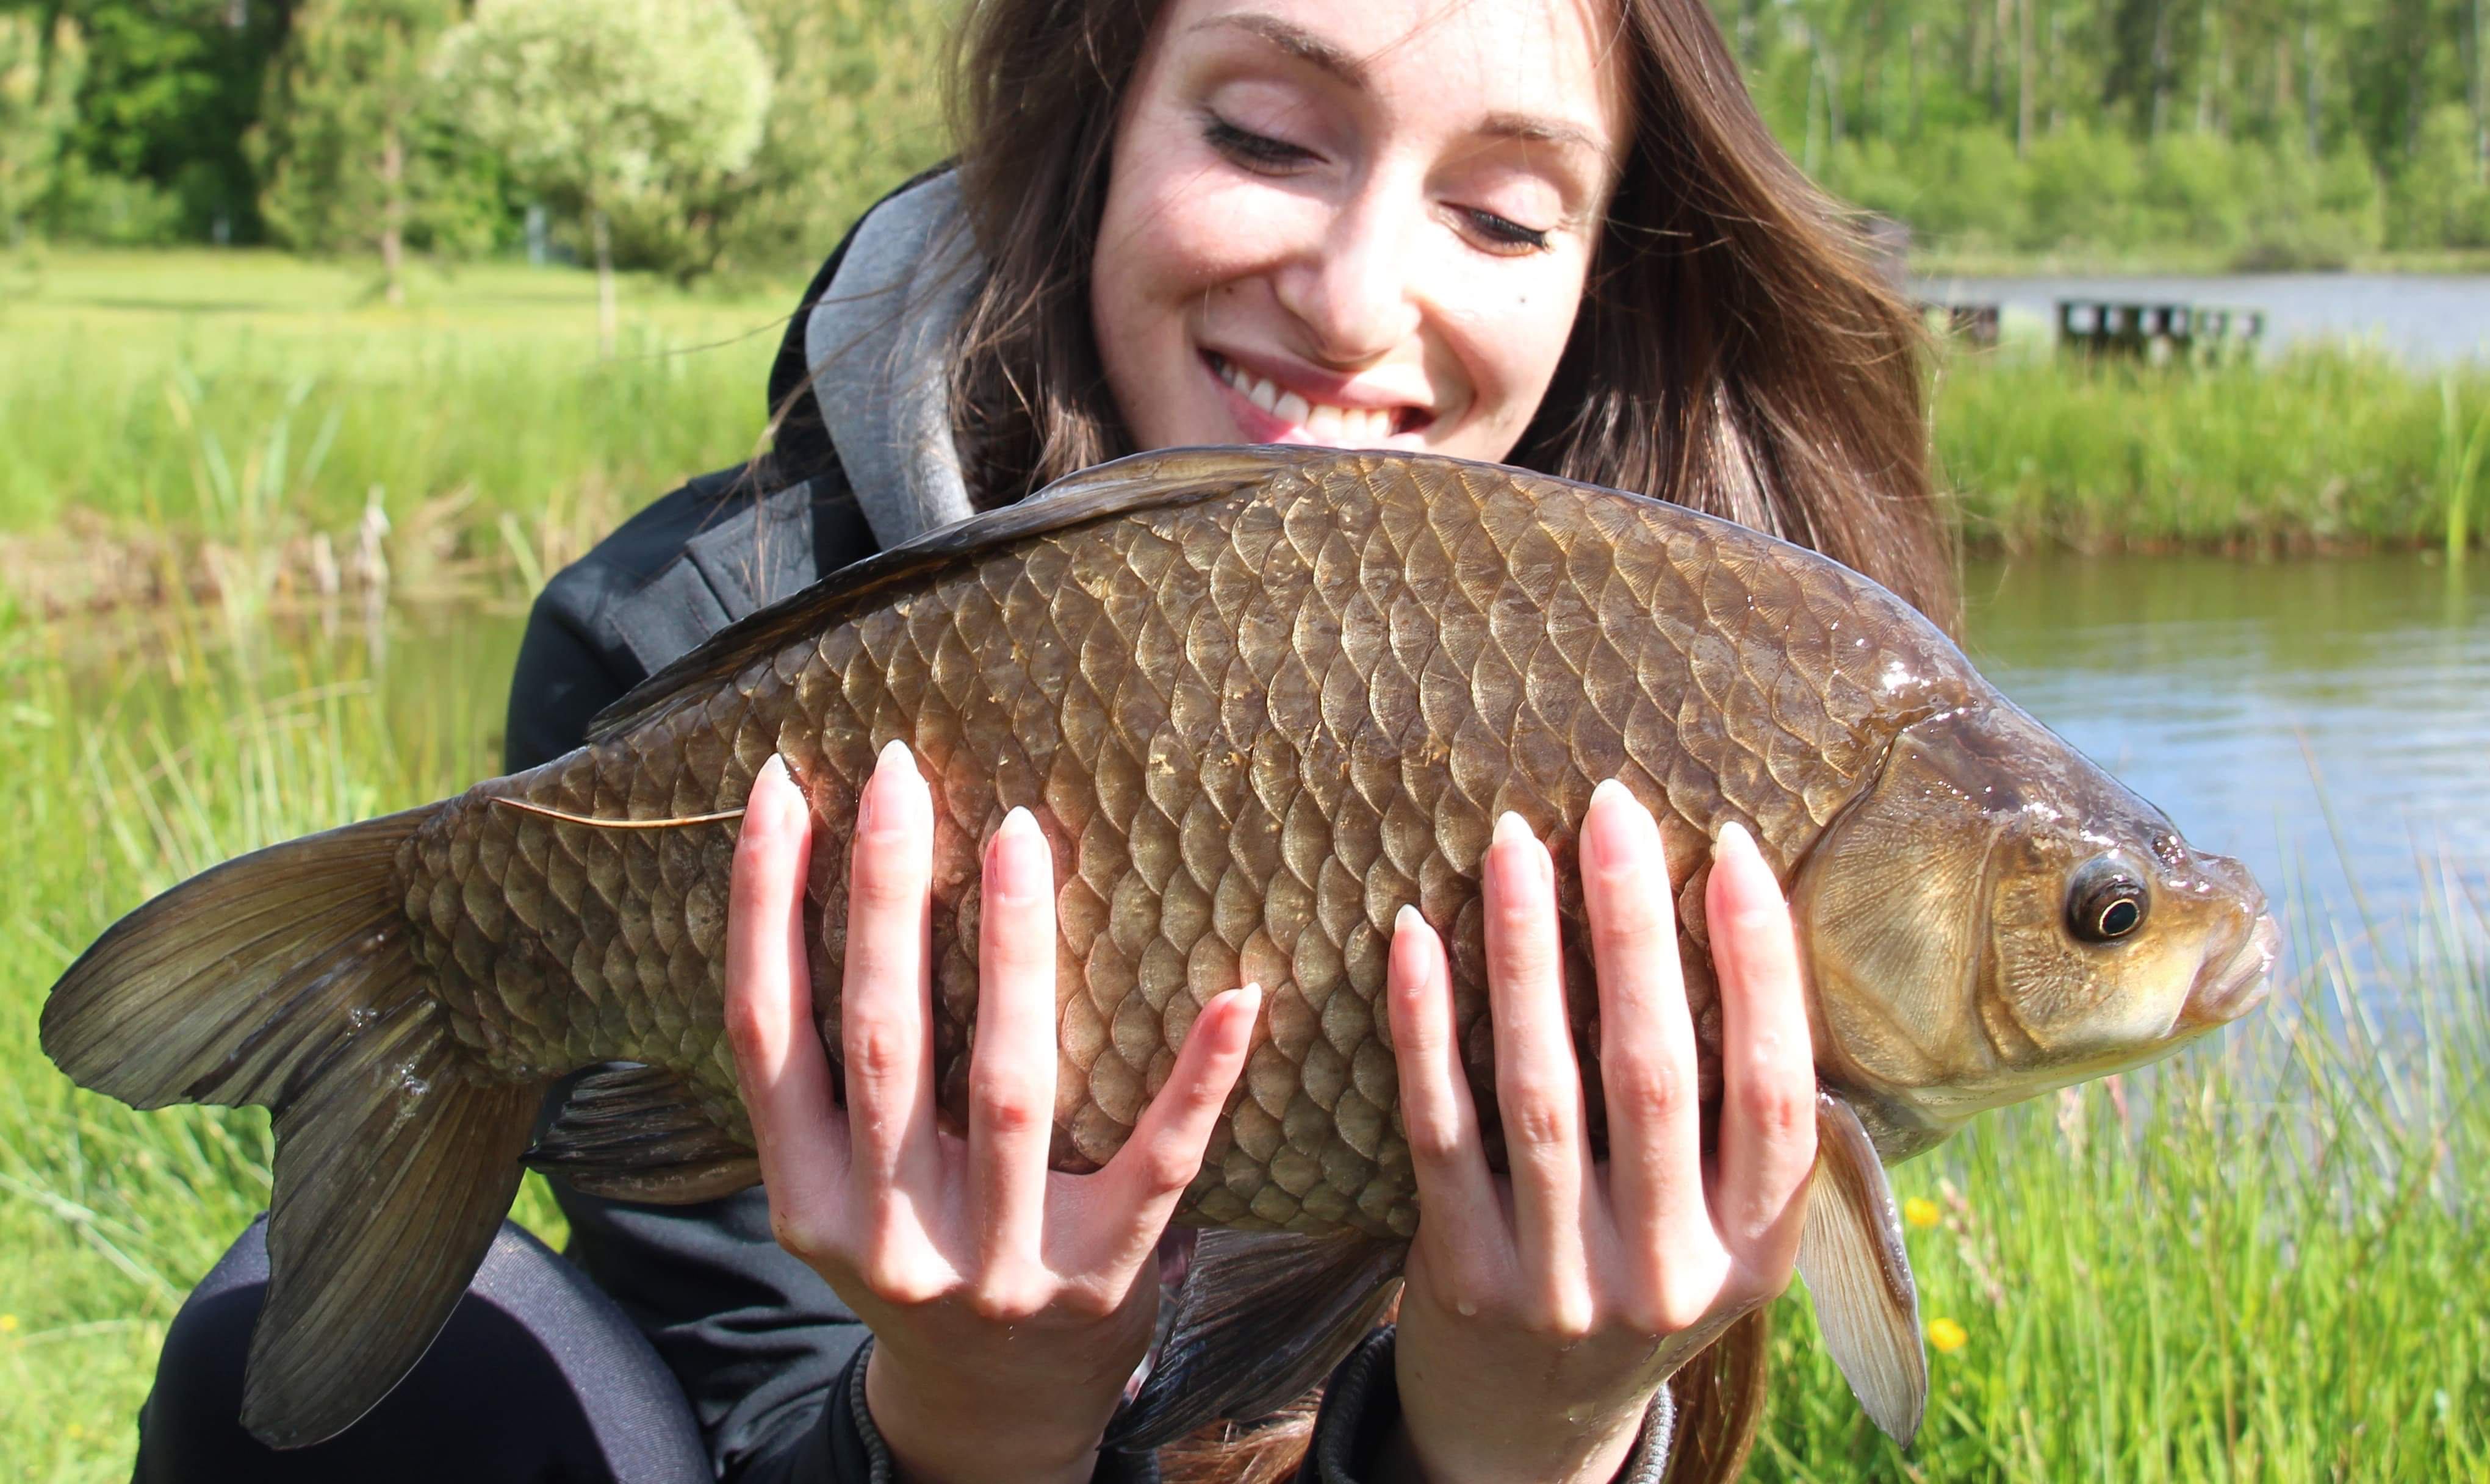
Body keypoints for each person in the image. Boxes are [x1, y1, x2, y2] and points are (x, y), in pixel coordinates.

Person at [131, 0, 1955, 1480]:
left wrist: (1524, 1438)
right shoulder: (692, 640)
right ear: (1104, 114)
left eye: (1498, 213)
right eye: (1260, 133)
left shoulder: (1701, 685)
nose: (1348, 297)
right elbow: (748, 1398)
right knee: (315, 1342)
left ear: (1600, 273)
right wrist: (973, 1411)